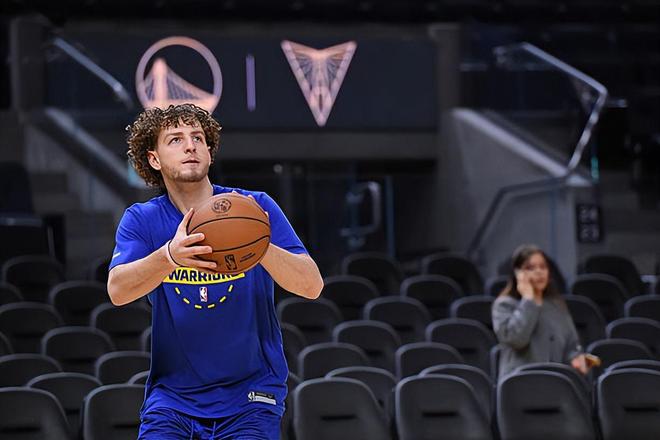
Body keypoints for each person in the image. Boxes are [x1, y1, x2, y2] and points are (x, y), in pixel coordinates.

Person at [107, 103, 323, 439]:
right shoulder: (142, 219)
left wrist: (257, 244)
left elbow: (312, 286)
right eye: (176, 139)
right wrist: (169, 256)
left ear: (209, 153)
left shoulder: (255, 208)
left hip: (251, 396)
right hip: (173, 399)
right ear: (154, 159)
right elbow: (117, 291)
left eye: (197, 138)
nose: (190, 146)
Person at [492, 244, 590, 379]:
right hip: (519, 382)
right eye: (530, 268)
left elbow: (571, 344)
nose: (539, 272)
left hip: (554, 381)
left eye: (543, 267)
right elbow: (516, 340)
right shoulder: (504, 304)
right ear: (518, 274)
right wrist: (528, 299)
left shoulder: (557, 305)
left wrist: (576, 358)